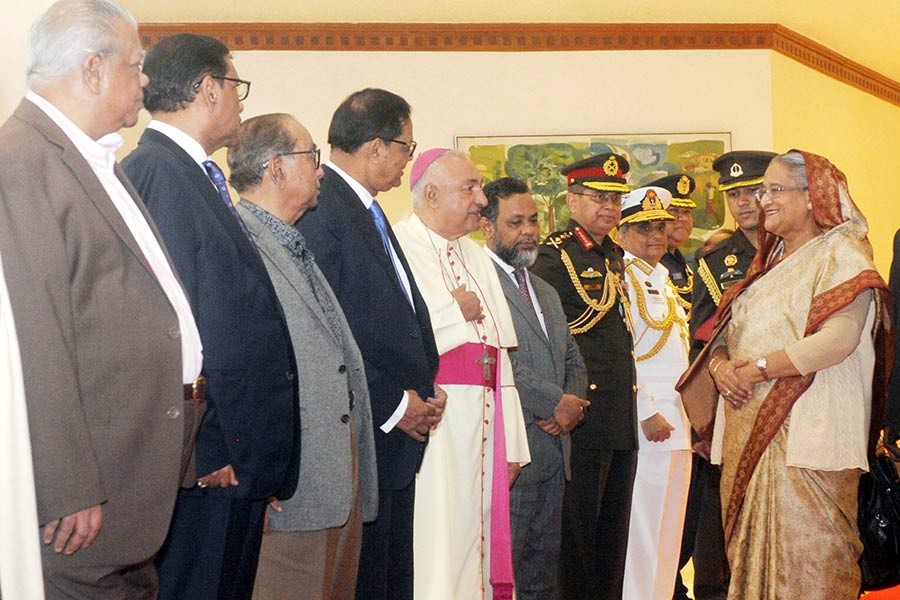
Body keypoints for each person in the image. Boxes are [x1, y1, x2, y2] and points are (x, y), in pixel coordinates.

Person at [0, 1, 204, 596]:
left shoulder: (91, 157)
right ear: (93, 70)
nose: (144, 80)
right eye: (135, 65)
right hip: (86, 498)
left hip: (131, 470)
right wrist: (68, 486)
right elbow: (38, 334)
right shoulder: (22, 162)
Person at [122, 34, 300, 599]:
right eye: (235, 86)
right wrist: (210, 443)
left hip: (232, 451)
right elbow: (174, 324)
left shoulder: (194, 173)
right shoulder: (158, 171)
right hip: (206, 459)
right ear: (206, 88)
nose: (241, 103)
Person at [702, 150, 889, 599]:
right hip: (747, 430)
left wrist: (761, 368)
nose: (761, 199)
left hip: (812, 436)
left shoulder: (842, 254)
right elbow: (723, 334)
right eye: (760, 190)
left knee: (816, 564)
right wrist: (721, 367)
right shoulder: (768, 262)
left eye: (774, 189)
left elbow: (838, 339)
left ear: (812, 197)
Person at [295, 88, 442, 600]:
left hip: (399, 426)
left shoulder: (368, 211)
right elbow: (332, 330)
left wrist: (427, 381)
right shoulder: (322, 209)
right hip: (367, 425)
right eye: (406, 146)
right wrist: (396, 402)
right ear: (377, 147)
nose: (407, 159)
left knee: (389, 575)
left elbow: (398, 311)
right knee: (365, 579)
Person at [226, 114, 379, 600]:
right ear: (275, 168)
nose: (320, 171)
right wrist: (260, 464)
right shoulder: (239, 241)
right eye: (311, 157)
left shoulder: (294, 242)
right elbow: (239, 364)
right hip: (291, 488)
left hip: (337, 479)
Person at [394, 150, 531, 599]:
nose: (480, 199)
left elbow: (499, 354)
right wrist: (457, 311)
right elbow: (396, 336)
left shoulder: (476, 255)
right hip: (440, 420)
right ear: (430, 193)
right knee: (439, 536)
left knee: (481, 536)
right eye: (469, 187)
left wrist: (513, 439)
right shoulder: (398, 245)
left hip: (487, 420)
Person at [531, 153, 638, 600]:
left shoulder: (615, 255)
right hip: (581, 416)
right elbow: (544, 340)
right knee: (576, 538)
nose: (609, 208)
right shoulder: (552, 258)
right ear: (572, 200)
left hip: (617, 414)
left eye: (615, 199)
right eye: (598, 198)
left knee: (614, 535)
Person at [480, 177, 589, 600]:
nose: (528, 230)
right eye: (515, 222)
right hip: (514, 456)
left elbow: (572, 358)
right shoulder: (480, 282)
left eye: (533, 220)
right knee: (504, 576)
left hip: (554, 453)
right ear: (487, 227)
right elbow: (499, 359)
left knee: (543, 580)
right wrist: (552, 403)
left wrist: (571, 406)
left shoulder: (544, 289)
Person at [676, 150, 775, 600]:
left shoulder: (801, 249)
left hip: (794, 398)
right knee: (725, 528)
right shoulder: (716, 260)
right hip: (735, 404)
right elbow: (700, 338)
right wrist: (717, 370)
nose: (744, 203)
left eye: (753, 190)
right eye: (734, 194)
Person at [615, 186, 692, 600]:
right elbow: (624, 353)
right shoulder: (622, 279)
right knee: (642, 528)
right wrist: (645, 409)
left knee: (669, 532)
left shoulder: (663, 277)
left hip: (680, 422)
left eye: (660, 227)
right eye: (643, 227)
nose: (655, 236)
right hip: (650, 423)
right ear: (622, 233)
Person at [647, 173, 697, 315]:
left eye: (687, 212)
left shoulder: (686, 266)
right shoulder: (648, 265)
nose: (682, 219)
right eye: (673, 211)